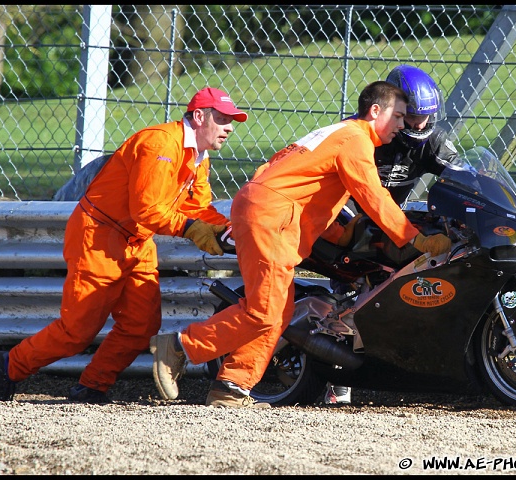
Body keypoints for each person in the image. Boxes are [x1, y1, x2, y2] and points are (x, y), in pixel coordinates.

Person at [149, 80, 452, 408]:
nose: (402, 125)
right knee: (265, 311)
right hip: (272, 217)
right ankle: (179, 346)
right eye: (398, 116)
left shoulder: (339, 133)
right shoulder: (356, 140)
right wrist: (416, 239)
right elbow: (373, 196)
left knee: (278, 312)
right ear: (375, 111)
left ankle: (232, 387)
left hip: (268, 211)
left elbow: (301, 181)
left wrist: (339, 234)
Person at [0, 87, 248, 404]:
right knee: (77, 331)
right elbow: (147, 210)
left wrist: (226, 231)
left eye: (232, 120)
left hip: (135, 239)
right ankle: (7, 366)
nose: (229, 127)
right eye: (222, 118)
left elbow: (198, 207)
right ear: (199, 116)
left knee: (142, 324)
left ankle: (92, 386)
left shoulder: (197, 156)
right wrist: (194, 229)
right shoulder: (160, 143)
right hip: (99, 235)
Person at [322, 64, 459, 405]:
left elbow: (463, 176)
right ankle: (337, 376)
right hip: (344, 215)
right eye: (410, 117)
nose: (418, 125)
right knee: (357, 274)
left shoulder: (432, 139)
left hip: (388, 215)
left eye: (425, 117)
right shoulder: (360, 136)